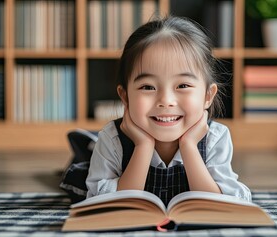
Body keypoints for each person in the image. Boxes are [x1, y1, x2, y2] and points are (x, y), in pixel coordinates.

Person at [86, 16, 251, 205]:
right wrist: (143, 146)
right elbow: (102, 203)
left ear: (207, 96)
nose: (166, 101)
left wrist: (189, 146)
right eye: (148, 87)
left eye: (182, 85)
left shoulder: (215, 138)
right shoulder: (112, 139)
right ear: (125, 97)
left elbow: (226, 204)